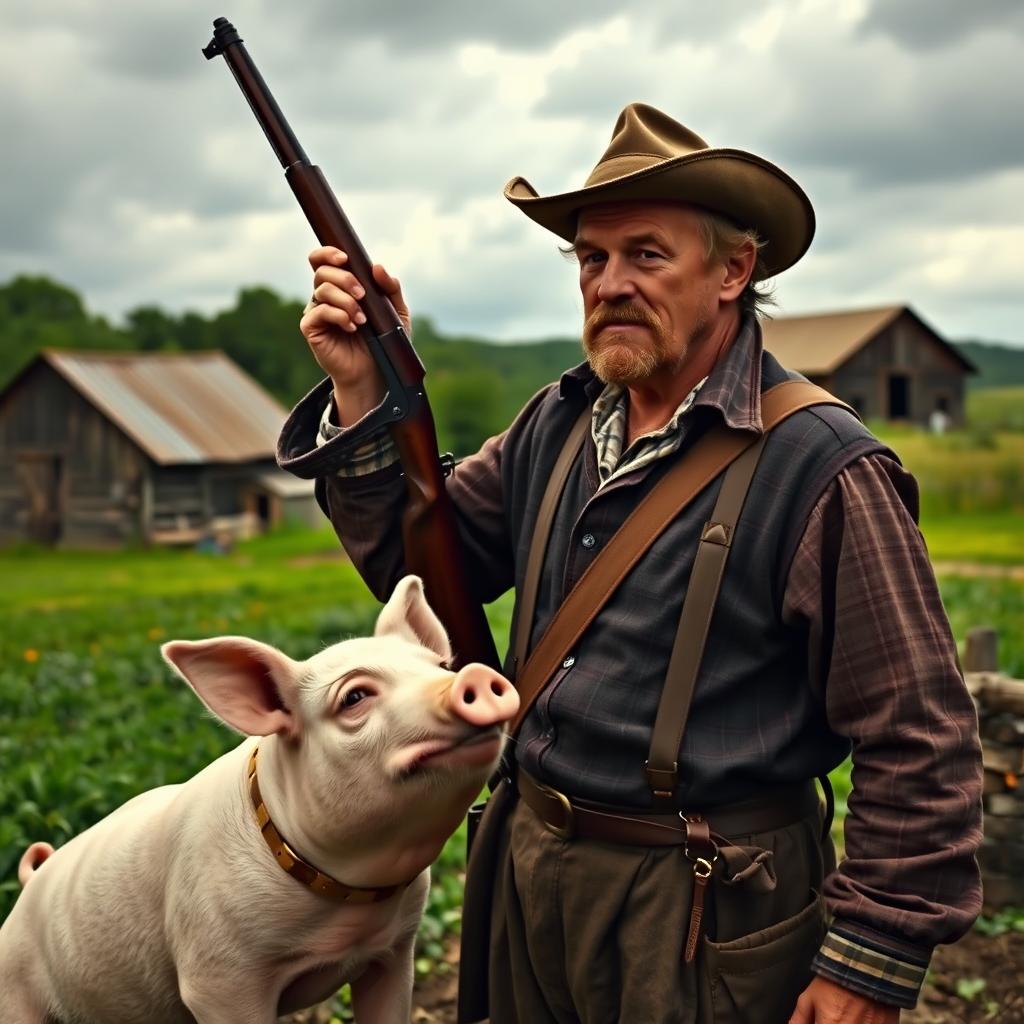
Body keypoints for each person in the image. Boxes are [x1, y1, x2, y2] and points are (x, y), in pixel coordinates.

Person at [278, 104, 983, 1024]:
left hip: (708, 907)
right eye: (591, 259)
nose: (610, 283)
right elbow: (420, 559)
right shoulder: (561, 421)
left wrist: (867, 960)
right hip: (530, 876)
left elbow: (919, 739)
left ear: (735, 270)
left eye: (647, 255)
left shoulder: (824, 467)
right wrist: (364, 388)